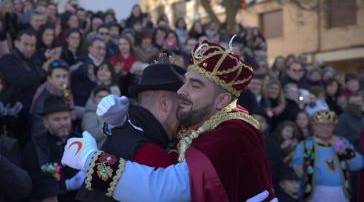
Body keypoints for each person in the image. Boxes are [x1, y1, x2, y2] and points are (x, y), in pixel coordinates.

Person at [62, 39, 276, 201]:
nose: (182, 91)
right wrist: (119, 124)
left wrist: (90, 160)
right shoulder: (207, 126)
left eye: (195, 85)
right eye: (185, 83)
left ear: (222, 100)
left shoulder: (233, 133)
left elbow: (161, 190)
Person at [76, 58, 186, 202]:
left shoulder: (123, 130)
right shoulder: (149, 153)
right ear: (164, 104)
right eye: (182, 106)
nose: (185, 116)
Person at [290, 110, 364, 202]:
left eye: (329, 125)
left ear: (334, 127)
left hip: (341, 194)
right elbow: (295, 172)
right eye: (321, 125)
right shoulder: (305, 145)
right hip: (314, 195)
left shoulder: (342, 142)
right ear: (314, 126)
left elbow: (358, 165)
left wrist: (344, 150)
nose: (325, 128)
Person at [23, 96, 85, 202]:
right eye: (56, 119)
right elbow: (32, 180)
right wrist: (66, 186)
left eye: (65, 118)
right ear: (45, 122)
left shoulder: (80, 141)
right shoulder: (36, 146)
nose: (62, 123)